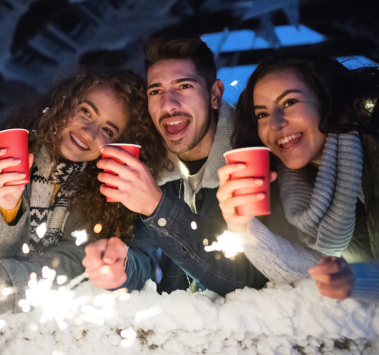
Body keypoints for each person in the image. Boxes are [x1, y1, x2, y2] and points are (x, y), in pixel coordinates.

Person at [0, 68, 168, 315]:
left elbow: (72, 266)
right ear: (64, 104)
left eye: (108, 130)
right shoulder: (0, 159)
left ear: (116, 144)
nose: (89, 131)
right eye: (85, 111)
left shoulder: (111, 197)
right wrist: (6, 210)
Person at [82, 37, 279, 295]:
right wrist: (122, 266)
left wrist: (157, 206)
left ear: (215, 95)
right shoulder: (152, 163)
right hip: (179, 328)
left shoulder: (255, 159)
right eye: (156, 91)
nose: (168, 104)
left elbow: (252, 280)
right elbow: (143, 258)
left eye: (184, 86)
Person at [217, 50, 379, 303]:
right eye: (262, 114)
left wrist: (362, 279)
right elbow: (310, 277)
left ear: (325, 99)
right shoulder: (291, 186)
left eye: (290, 102)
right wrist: (242, 227)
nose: (276, 123)